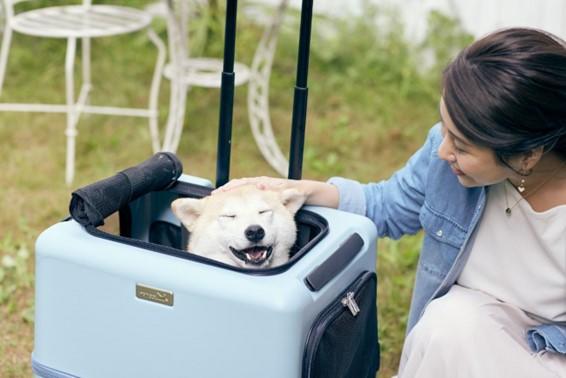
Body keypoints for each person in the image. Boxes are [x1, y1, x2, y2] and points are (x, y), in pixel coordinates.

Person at [216, 27, 566, 377]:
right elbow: (388, 205)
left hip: (547, 356)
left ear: (527, 155)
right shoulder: (445, 157)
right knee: (451, 321)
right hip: (459, 337)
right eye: (443, 129)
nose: (442, 151)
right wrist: (307, 191)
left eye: (460, 145)